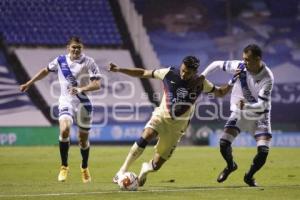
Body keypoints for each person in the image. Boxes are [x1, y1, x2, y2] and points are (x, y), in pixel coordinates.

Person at [109, 56, 239, 187]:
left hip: (177, 128)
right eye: (182, 70)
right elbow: (143, 72)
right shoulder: (169, 73)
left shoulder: (201, 83)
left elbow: (221, 93)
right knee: (147, 134)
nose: (183, 74)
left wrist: (232, 81)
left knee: (156, 165)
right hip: (160, 116)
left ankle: (145, 170)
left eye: (187, 72)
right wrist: (120, 69)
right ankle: (122, 170)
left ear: (195, 72)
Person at [20, 36, 101, 183]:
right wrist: (29, 83)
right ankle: (64, 166)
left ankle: (84, 167)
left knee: (83, 141)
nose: (76, 49)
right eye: (73, 47)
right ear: (68, 47)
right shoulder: (60, 60)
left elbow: (97, 84)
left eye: (79, 47)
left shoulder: (89, 62)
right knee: (64, 130)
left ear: (82, 48)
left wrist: (81, 88)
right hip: (66, 101)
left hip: (84, 103)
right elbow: (45, 71)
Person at [201, 44, 274, 187]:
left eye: (247, 59)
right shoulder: (240, 66)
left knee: (263, 151)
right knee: (223, 143)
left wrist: (246, 105)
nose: (244, 62)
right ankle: (230, 165)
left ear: (257, 59)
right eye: (243, 59)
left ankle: (249, 176)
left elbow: (263, 105)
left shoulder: (267, 77)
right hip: (240, 113)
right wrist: (203, 76)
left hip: (260, 115)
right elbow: (216, 64)